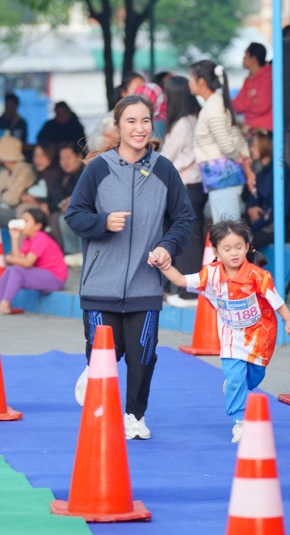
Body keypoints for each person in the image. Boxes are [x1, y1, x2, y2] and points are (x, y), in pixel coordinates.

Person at [65, 95, 195, 440]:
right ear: (118, 127)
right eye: (131, 121)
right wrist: (103, 223)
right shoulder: (98, 168)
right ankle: (95, 385)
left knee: (143, 355)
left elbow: (184, 219)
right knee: (106, 354)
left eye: (145, 121)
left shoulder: (164, 169)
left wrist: (167, 246)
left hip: (145, 282)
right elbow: (74, 215)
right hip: (100, 285)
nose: (139, 128)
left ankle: (135, 415)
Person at [154, 218, 290, 443]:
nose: (234, 253)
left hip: (259, 336)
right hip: (231, 336)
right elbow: (181, 280)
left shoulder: (258, 276)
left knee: (255, 375)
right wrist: (165, 266)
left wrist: (289, 321)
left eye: (238, 247)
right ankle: (239, 421)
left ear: (247, 247)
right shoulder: (210, 274)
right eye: (227, 248)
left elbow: (276, 300)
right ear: (216, 251)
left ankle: (235, 384)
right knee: (235, 378)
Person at [160, 76, 207, 308]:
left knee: (187, 239)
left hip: (186, 185)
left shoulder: (182, 124)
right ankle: (186, 290)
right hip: (194, 186)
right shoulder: (193, 118)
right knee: (189, 236)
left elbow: (166, 158)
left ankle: (189, 293)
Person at [189, 60, 254, 223]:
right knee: (226, 226)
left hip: (223, 177)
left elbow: (225, 143)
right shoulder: (216, 103)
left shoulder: (213, 106)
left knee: (228, 228)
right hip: (222, 178)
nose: (189, 82)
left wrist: (237, 157)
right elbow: (234, 133)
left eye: (191, 78)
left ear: (201, 81)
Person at [0, 208, 67, 315]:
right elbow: (19, 260)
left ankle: (5, 304)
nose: (22, 224)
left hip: (55, 279)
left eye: (26, 221)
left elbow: (27, 263)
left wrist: (9, 258)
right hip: (42, 275)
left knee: (16, 270)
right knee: (10, 270)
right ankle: (2, 302)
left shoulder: (41, 237)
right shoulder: (28, 240)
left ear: (37, 226)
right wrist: (15, 238)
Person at [245, 130, 290, 248]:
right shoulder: (258, 171)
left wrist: (257, 223)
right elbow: (252, 197)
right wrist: (250, 208)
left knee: (242, 242)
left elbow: (281, 209)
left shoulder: (283, 172)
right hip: (260, 224)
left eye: (254, 145)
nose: (251, 149)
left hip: (276, 227)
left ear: (265, 146)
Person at [232, 42, 273, 134]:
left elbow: (262, 106)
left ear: (253, 59)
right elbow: (236, 104)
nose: (243, 59)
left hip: (265, 131)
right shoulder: (248, 79)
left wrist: (246, 103)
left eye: (245, 55)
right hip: (250, 128)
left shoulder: (268, 77)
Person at [16, 142, 63, 217]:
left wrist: (35, 201)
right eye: (36, 156)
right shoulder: (39, 174)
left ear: (51, 155)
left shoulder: (54, 175)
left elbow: (55, 200)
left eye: (43, 155)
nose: (38, 159)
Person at [0, 134, 36, 227]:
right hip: (6, 208)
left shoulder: (25, 171)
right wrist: (5, 193)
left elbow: (14, 199)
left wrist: (3, 193)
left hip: (19, 211)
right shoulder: (5, 171)